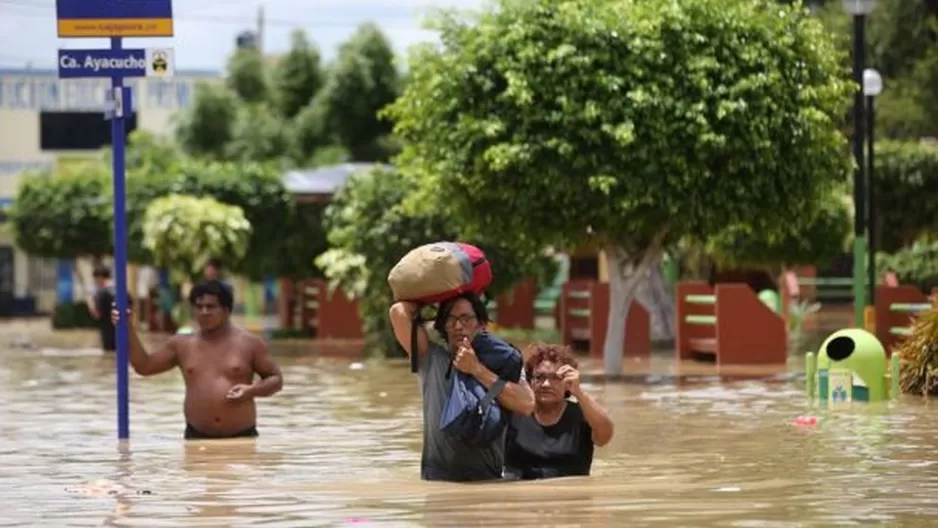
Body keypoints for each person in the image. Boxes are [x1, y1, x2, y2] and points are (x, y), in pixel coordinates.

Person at [389, 293, 535, 482]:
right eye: (451, 319)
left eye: (466, 318)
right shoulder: (432, 360)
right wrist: (434, 297)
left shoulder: (505, 365)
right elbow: (397, 311)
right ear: (442, 326)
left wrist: (477, 370)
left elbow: (527, 404)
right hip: (438, 481)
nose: (458, 326)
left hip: (488, 481)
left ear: (481, 325)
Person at [112, 279, 284, 440]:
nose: (204, 312)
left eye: (211, 307)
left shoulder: (250, 343)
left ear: (226, 310)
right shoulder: (182, 344)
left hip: (241, 438)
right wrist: (127, 327)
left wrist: (251, 390)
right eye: (199, 307)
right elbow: (144, 366)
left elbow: (276, 380)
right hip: (197, 438)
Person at [503, 343, 614, 480]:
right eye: (539, 377)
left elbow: (605, 436)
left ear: (568, 382)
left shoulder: (583, 414)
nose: (546, 384)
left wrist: (579, 393)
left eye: (555, 378)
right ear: (529, 380)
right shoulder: (514, 411)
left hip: (569, 495)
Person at [86, 265, 132, 353]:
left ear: (99, 278)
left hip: (108, 335)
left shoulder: (102, 293)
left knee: (109, 359)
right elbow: (131, 308)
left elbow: (97, 314)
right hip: (124, 333)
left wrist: (89, 301)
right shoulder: (122, 289)